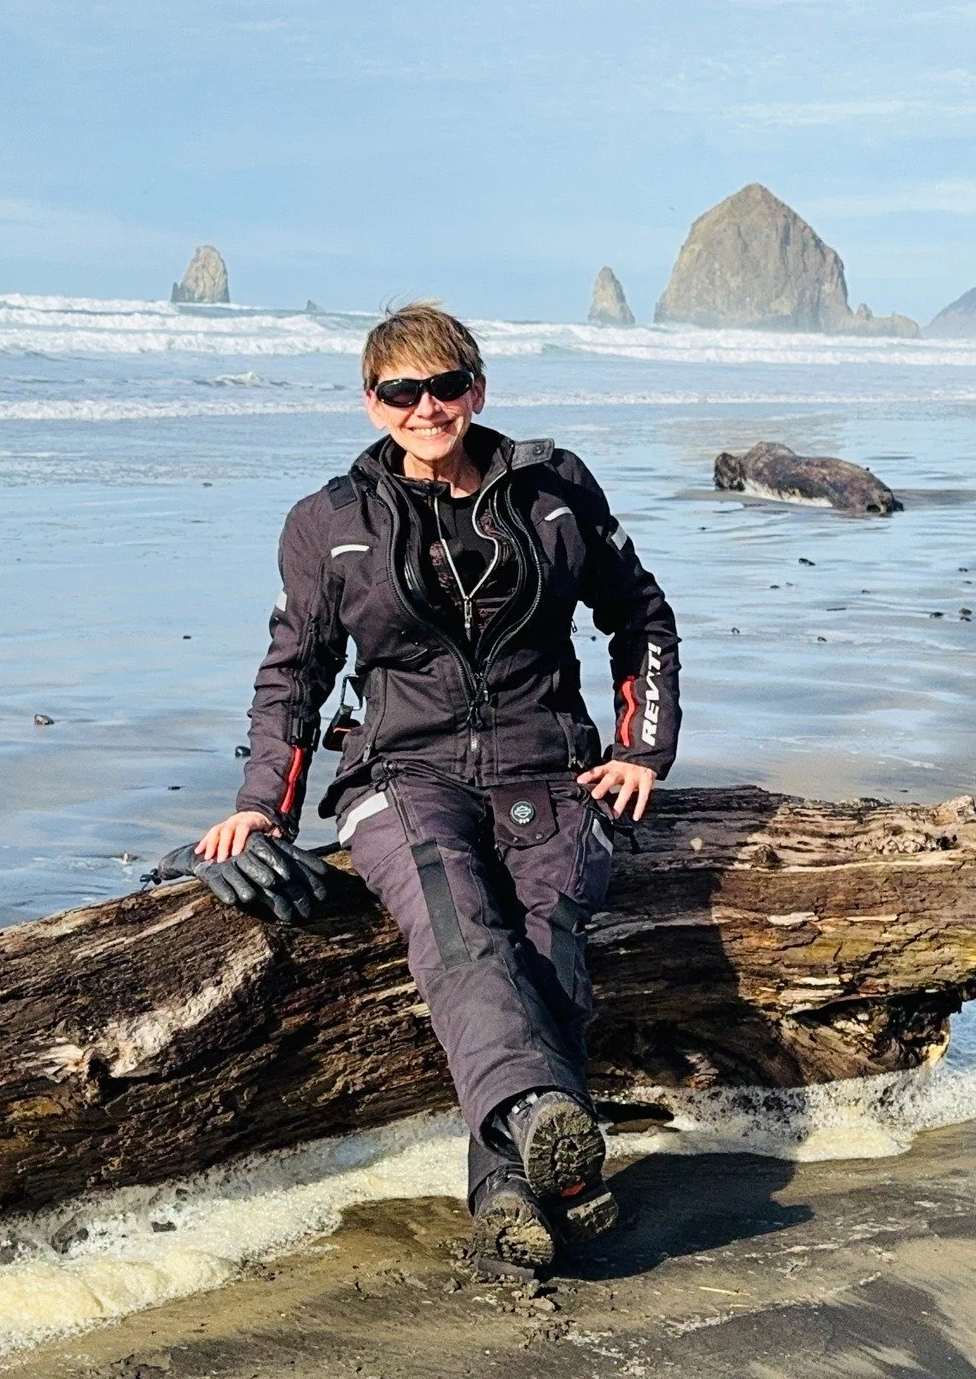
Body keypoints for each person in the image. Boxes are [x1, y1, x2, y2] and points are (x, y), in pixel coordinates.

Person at [185, 303, 680, 1276]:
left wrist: (642, 750)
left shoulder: (554, 489)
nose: (426, 406)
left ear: (478, 389)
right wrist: (260, 806)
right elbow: (295, 672)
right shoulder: (328, 523)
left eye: (445, 385)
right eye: (401, 391)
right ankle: (545, 1118)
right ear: (371, 403)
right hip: (399, 776)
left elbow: (641, 615)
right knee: (459, 927)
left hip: (551, 767)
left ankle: (505, 1192)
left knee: (549, 948)